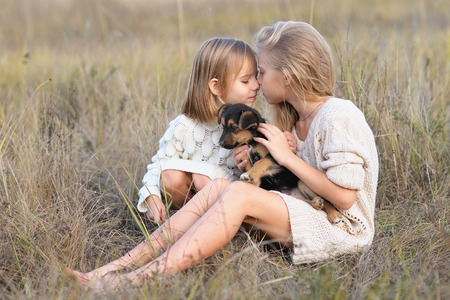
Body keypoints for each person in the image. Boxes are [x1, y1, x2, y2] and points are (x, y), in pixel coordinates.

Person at [68, 21, 378, 290]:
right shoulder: (292, 119)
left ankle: (139, 279)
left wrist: (286, 157)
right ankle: (116, 266)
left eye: (263, 72)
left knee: (237, 195)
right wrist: (261, 160)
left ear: (288, 76)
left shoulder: (339, 115)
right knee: (220, 188)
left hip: (339, 227)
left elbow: (345, 197)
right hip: (302, 208)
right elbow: (287, 180)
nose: (257, 81)